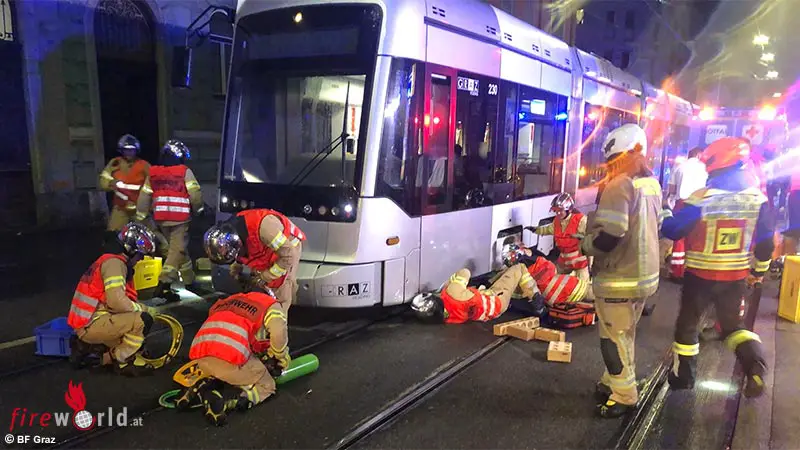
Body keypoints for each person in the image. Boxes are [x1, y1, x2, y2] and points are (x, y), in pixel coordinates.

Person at [661, 137, 774, 399]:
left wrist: (665, 213)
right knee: (734, 327)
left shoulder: (702, 198)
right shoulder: (758, 199)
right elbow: (766, 243)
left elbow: (673, 230)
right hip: (735, 278)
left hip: (699, 278)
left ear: (715, 165)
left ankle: (684, 378)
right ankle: (754, 366)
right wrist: (758, 272)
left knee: (688, 326)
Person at [580, 123, 664, 418]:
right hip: (645, 277)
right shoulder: (651, 184)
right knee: (625, 333)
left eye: (613, 160)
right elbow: (659, 225)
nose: (610, 166)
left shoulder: (619, 186)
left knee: (612, 339)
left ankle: (624, 396)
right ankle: (612, 380)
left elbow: (610, 236)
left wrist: (585, 245)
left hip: (619, 278)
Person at [176, 288, 289, 426]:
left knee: (222, 371)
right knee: (267, 385)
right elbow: (278, 331)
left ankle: (204, 385)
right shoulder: (269, 304)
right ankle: (229, 401)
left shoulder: (229, 300)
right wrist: (279, 356)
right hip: (228, 360)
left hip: (201, 357)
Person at [67, 222, 159, 376]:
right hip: (92, 323)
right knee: (143, 321)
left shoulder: (109, 259)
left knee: (138, 340)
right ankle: (121, 360)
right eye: (140, 255)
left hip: (88, 320)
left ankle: (90, 348)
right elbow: (116, 302)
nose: (141, 259)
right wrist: (144, 309)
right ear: (131, 250)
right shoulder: (115, 265)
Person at [135, 140, 204, 301]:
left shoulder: (153, 172)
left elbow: (145, 195)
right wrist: (199, 210)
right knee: (177, 251)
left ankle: (189, 280)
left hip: (161, 218)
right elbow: (195, 194)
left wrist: (141, 215)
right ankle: (163, 285)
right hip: (180, 219)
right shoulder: (184, 171)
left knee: (178, 250)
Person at [203, 209, 305, 313]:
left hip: (288, 247)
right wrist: (237, 265)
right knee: (262, 289)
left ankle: (280, 316)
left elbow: (289, 255)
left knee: (280, 291)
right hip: (266, 249)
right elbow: (242, 251)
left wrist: (265, 276)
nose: (227, 254)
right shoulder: (233, 234)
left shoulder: (266, 229)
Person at [410, 264, 534, 324]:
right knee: (519, 268)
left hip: (491, 313)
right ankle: (536, 299)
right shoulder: (452, 291)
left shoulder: (449, 318)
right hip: (497, 299)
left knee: (504, 273)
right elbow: (465, 272)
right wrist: (449, 282)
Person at [665, 147, 708, 280]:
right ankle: (691, 269)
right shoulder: (705, 168)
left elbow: (672, 190)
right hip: (700, 204)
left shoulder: (679, 167)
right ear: (699, 155)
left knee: (679, 238)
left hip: (682, 203)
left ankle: (677, 271)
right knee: (696, 236)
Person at [527, 193, 590, 281]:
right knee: (554, 281)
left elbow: (593, 236)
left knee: (582, 285)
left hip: (580, 263)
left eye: (560, 210)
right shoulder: (557, 221)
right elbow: (548, 229)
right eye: (556, 210)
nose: (558, 213)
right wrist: (535, 230)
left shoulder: (580, 220)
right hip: (563, 261)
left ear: (569, 210)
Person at [504, 244, 593, 305]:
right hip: (547, 294)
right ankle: (521, 257)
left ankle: (521, 256)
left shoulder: (577, 284)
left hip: (549, 280)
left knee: (547, 267)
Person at [98, 135, 150, 237]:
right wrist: (112, 183)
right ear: (121, 150)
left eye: (131, 150)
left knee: (147, 234)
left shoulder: (144, 165)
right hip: (120, 207)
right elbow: (103, 179)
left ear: (136, 150)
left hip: (139, 208)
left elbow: (153, 182)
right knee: (113, 234)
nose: (129, 153)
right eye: (126, 150)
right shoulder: (115, 163)